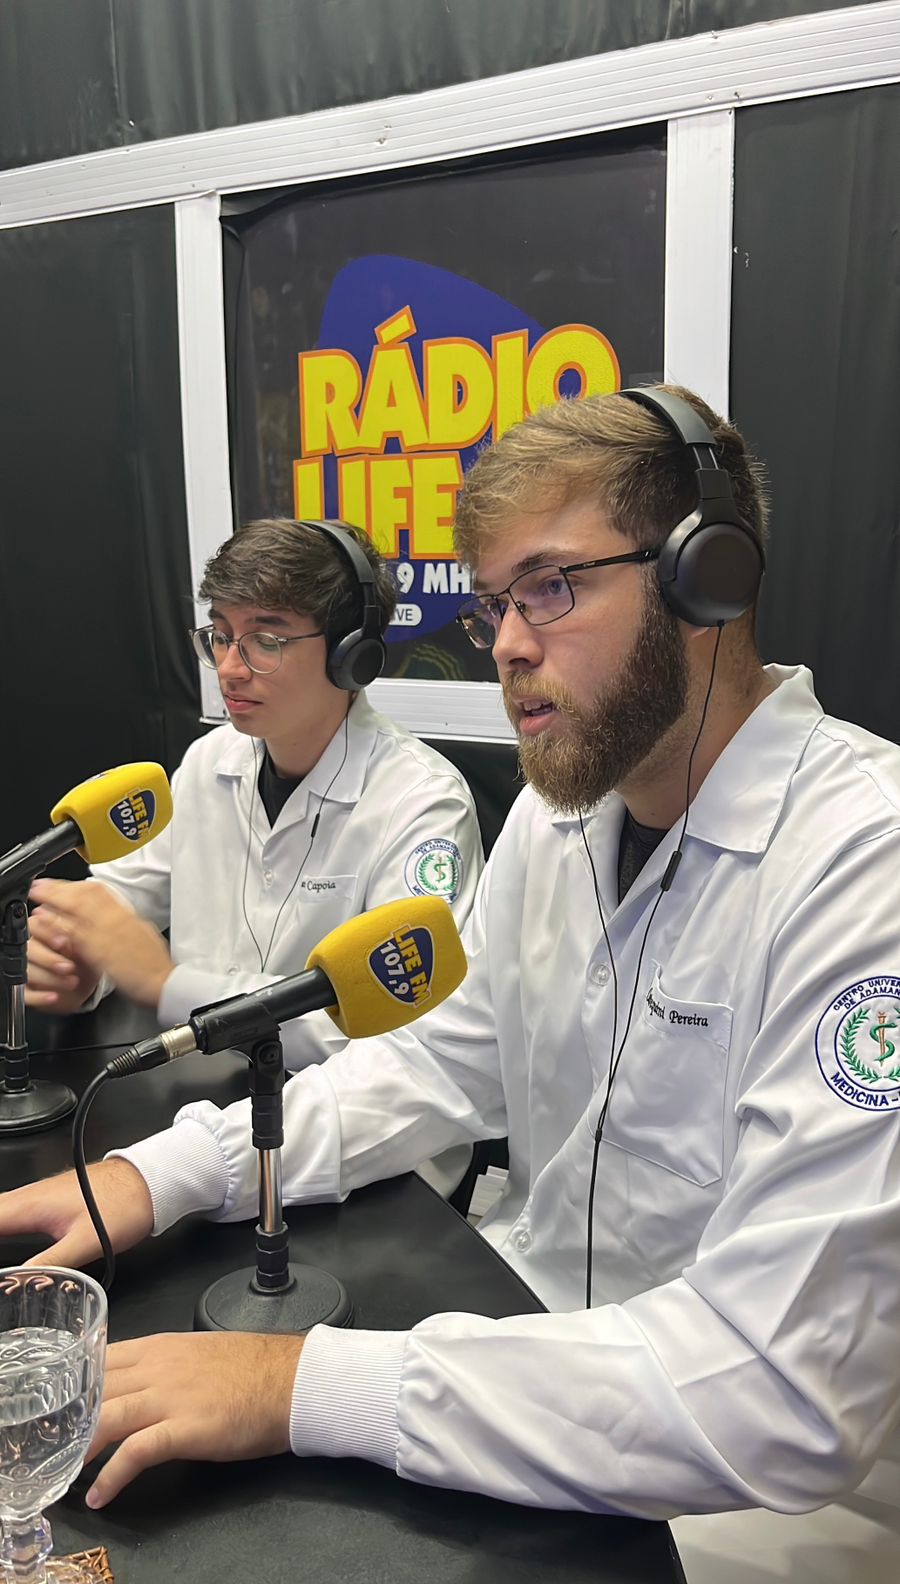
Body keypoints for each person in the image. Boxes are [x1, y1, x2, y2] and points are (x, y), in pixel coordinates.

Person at [5, 389, 900, 1584]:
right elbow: (432, 1060)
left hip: (756, 1519)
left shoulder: (864, 862)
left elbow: (780, 1389)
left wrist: (298, 1385)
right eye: (493, 606)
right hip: (516, 1368)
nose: (509, 646)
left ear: (706, 581)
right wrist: (165, 1173)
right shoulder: (557, 821)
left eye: (552, 588)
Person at [24, 517, 483, 1189]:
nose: (230, 669)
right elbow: (123, 898)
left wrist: (170, 986)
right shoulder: (209, 762)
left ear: (351, 654)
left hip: (362, 1154)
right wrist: (79, 962)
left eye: (266, 640)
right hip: (204, 1111)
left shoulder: (422, 803)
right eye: (220, 636)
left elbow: (401, 1031)